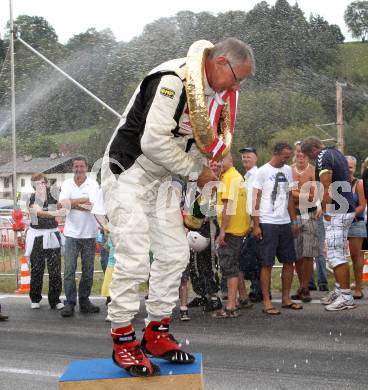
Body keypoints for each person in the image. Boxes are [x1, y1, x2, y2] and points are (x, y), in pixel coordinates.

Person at [101, 38, 255, 376]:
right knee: (135, 257)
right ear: (220, 63)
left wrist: (204, 175)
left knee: (175, 254)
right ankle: (122, 339)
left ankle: (156, 332)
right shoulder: (173, 78)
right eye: (237, 77)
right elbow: (153, 140)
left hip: (162, 183)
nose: (237, 86)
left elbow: (199, 146)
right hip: (127, 172)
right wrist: (195, 170)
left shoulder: (216, 98)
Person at [301, 137, 356, 311]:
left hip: (337, 211)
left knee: (335, 255)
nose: (311, 160)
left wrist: (325, 210)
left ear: (312, 151)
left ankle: (346, 297)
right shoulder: (336, 152)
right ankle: (340, 290)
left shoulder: (322, 156)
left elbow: (326, 186)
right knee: (337, 252)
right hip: (345, 207)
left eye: (310, 156)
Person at [253, 142, 302, 315]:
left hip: (285, 222)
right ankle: (267, 301)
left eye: (288, 157)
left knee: (289, 261)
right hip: (267, 222)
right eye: (285, 156)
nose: (287, 160)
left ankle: (286, 298)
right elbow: (255, 199)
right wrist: (256, 224)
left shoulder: (288, 170)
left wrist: (294, 220)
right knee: (267, 263)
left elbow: (289, 196)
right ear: (276, 153)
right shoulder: (262, 172)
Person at [59, 157, 100, 317]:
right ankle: (70, 303)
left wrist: (72, 203)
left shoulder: (93, 184)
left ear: (86, 167)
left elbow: (92, 206)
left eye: (81, 166)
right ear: (72, 168)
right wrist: (82, 201)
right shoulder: (67, 183)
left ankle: (84, 301)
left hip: (89, 234)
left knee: (88, 271)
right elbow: (62, 205)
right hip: (71, 235)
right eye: (76, 166)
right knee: (69, 270)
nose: (78, 169)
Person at [214, 153, 252, 318]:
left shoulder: (229, 177)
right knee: (235, 264)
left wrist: (222, 231)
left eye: (222, 160)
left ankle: (230, 307)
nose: (219, 163)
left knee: (229, 267)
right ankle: (243, 298)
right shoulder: (237, 176)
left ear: (231, 160)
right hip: (239, 227)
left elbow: (228, 205)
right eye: (217, 160)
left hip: (231, 229)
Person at [26, 173, 65, 310]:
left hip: (52, 234)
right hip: (37, 236)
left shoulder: (54, 195)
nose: (40, 186)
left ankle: (55, 300)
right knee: (37, 269)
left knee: (55, 270)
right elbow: (37, 212)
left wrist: (62, 209)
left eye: (42, 183)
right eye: (36, 184)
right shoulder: (31, 198)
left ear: (46, 183)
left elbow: (63, 206)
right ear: (33, 186)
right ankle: (35, 298)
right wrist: (55, 213)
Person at [290, 142, 320, 303]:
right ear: (295, 153)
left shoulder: (314, 170)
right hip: (293, 216)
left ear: (307, 154)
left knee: (308, 253)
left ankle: (304, 287)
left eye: (303, 152)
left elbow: (314, 196)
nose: (300, 154)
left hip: (309, 215)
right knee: (297, 254)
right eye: (298, 152)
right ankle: (302, 286)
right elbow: (287, 193)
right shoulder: (289, 170)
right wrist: (304, 195)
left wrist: (295, 194)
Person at [239, 146, 262, 302]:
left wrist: (255, 222)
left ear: (255, 159)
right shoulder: (246, 176)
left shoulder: (257, 174)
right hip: (247, 220)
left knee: (255, 257)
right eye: (244, 157)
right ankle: (256, 289)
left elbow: (256, 200)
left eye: (249, 156)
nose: (245, 159)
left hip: (255, 220)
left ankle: (258, 290)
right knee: (250, 256)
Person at [346, 156, 367, 299]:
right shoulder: (334, 183)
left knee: (356, 255)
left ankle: (358, 287)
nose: (348, 170)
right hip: (338, 224)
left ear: (355, 168)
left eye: (351, 167)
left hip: (356, 222)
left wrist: (350, 214)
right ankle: (343, 288)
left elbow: (362, 205)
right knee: (339, 257)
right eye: (346, 166)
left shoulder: (358, 183)